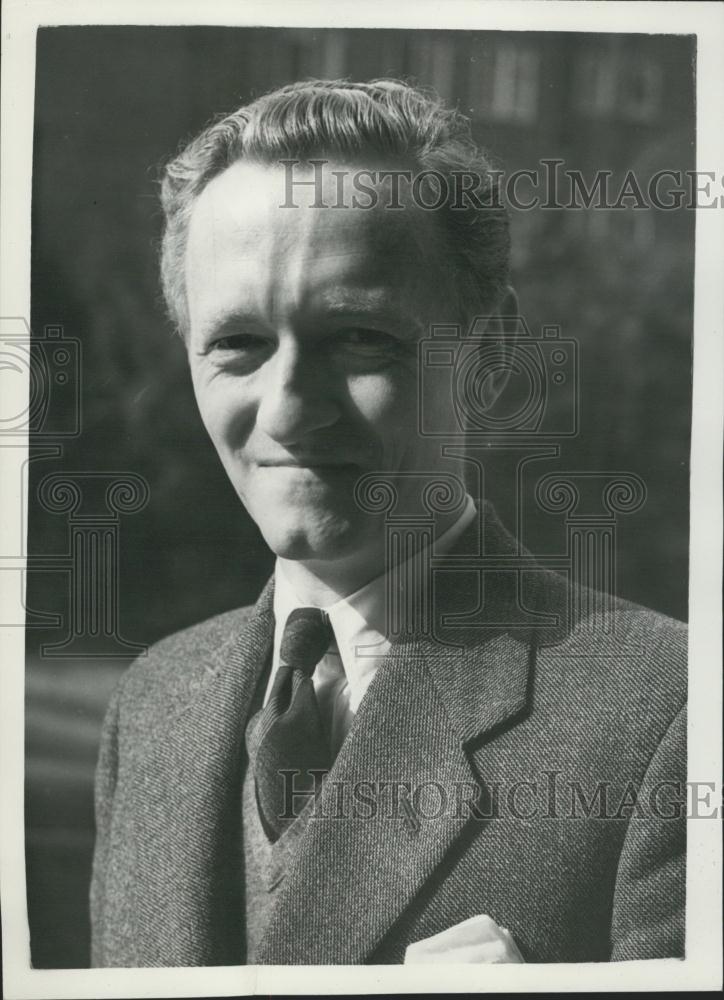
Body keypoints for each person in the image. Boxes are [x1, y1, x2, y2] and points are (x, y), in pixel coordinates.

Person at [89, 79, 686, 966]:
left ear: (489, 353)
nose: (288, 409)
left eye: (360, 338)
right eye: (238, 345)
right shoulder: (151, 708)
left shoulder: (668, 717)